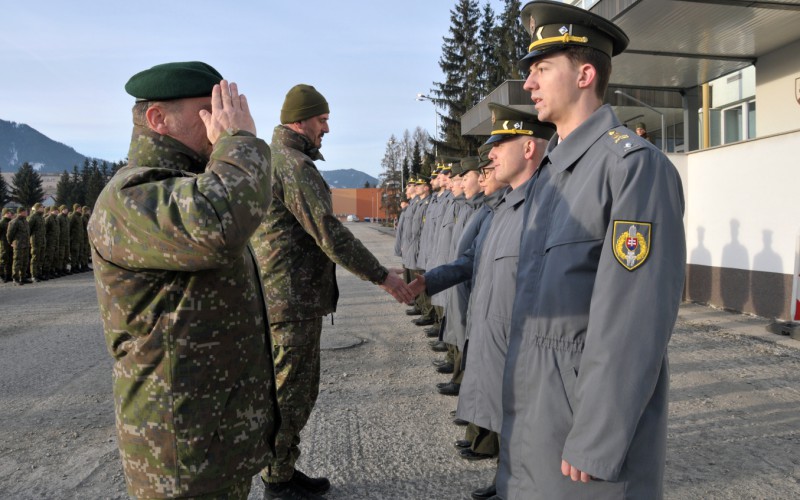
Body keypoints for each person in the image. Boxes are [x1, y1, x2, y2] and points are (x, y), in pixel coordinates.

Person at [498, 2, 686, 498]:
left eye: (541, 69)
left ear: (585, 74)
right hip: (539, 416)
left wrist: (597, 438)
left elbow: (635, 317)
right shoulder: (552, 177)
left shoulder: (632, 168)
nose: (530, 84)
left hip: (580, 433)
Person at [87, 61, 279, 499]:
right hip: (177, 450)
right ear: (158, 119)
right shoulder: (132, 196)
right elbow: (220, 221)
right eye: (207, 109)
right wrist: (240, 141)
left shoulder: (190, 185)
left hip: (214, 437)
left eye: (223, 109)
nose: (222, 121)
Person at [250, 84, 413, 500]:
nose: (326, 128)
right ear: (300, 120)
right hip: (291, 300)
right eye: (321, 120)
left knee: (289, 391)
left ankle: (282, 469)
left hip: (283, 298)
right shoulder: (294, 164)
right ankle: (278, 480)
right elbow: (330, 233)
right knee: (292, 394)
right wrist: (382, 276)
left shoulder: (275, 159)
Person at [7, 206, 31, 285]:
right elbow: (9, 234)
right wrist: (11, 242)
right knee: (17, 262)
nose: (27, 213)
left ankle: (23, 277)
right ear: (21, 212)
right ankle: (15, 278)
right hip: (18, 245)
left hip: (26, 245)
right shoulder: (15, 222)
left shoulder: (25, 221)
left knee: (25, 261)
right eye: (25, 211)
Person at [27, 202, 46, 282]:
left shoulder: (41, 217)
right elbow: (29, 229)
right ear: (37, 208)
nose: (43, 208)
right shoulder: (33, 217)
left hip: (41, 240)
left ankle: (39, 274)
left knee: (41, 258)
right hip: (35, 241)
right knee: (35, 258)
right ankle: (33, 275)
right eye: (41, 207)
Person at [0, 208, 13, 283]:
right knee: (3, 259)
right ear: (4, 214)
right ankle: (2, 275)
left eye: (10, 213)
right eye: (8, 213)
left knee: (10, 259)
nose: (10, 214)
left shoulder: (10, 222)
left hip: (10, 243)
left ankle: (8, 275)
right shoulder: (2, 223)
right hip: (4, 243)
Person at [57, 205, 70, 275]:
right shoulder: (59, 218)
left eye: (66, 209)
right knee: (61, 256)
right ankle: (60, 269)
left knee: (66, 255)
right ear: (61, 210)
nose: (66, 210)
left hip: (66, 239)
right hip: (61, 240)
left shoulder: (67, 218)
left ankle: (64, 268)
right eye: (64, 209)